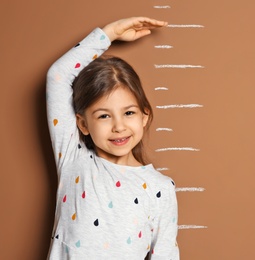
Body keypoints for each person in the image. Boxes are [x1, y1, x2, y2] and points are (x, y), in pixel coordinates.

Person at [46, 17, 179, 259]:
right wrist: (108, 34)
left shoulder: (161, 189)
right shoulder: (75, 160)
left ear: (144, 117)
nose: (119, 127)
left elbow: (165, 254)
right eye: (104, 116)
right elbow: (58, 76)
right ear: (83, 124)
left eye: (128, 113)